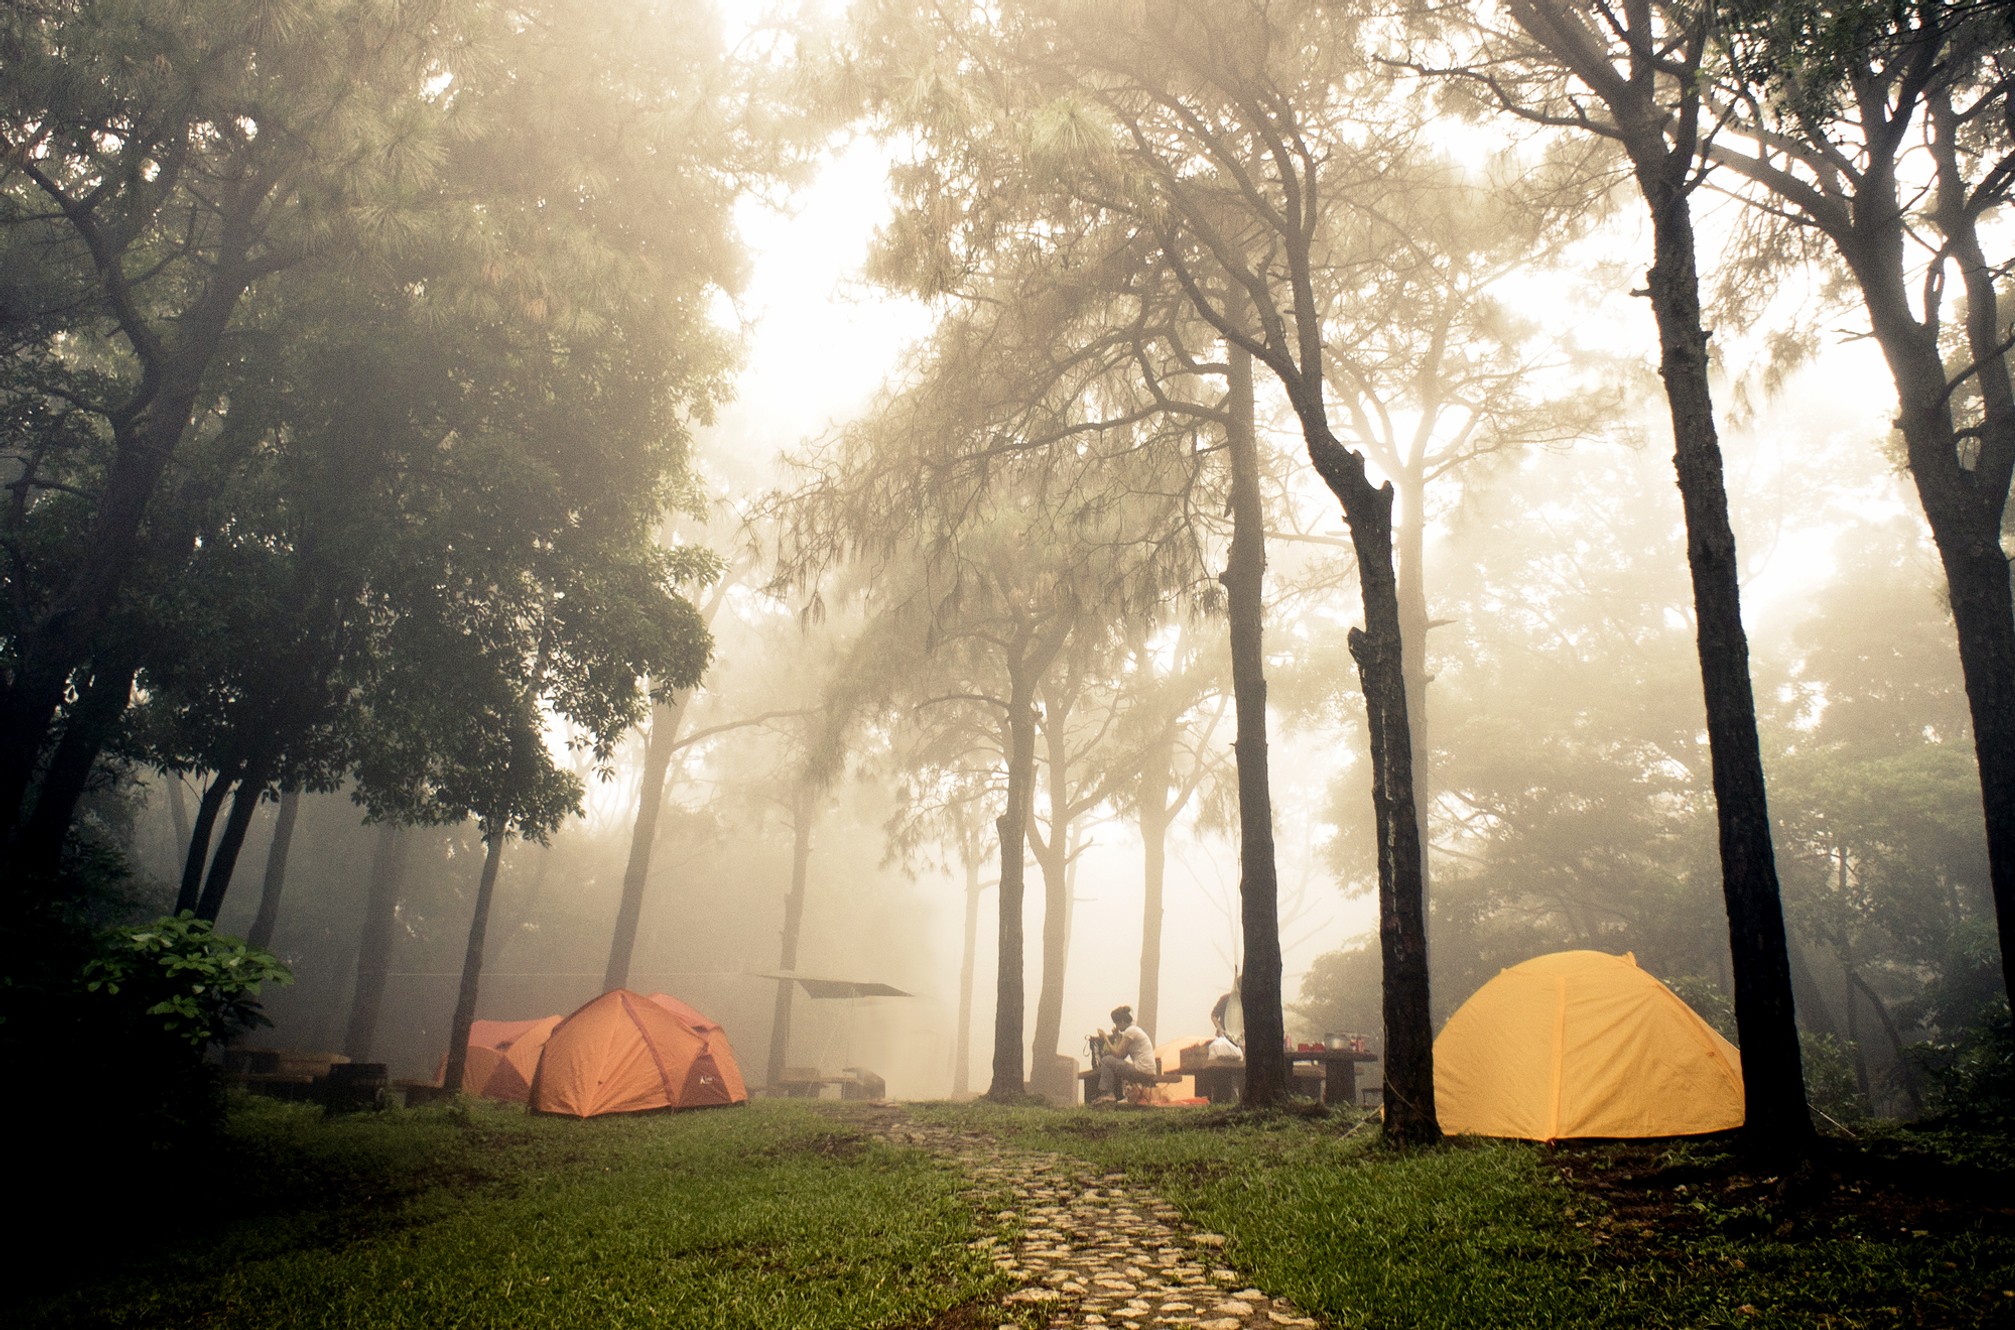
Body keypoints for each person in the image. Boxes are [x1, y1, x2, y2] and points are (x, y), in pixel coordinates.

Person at [1093, 1004, 1158, 1103]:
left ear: (1122, 1021)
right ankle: (1116, 1095)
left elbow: (1118, 1054)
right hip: (1148, 1070)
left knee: (1106, 1060)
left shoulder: (1130, 1031)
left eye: (1117, 1023)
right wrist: (1117, 1036)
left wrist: (1105, 1038)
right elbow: (1121, 1056)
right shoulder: (1134, 1030)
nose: (1116, 1027)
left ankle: (1108, 1094)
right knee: (1111, 1061)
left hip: (1142, 1070)